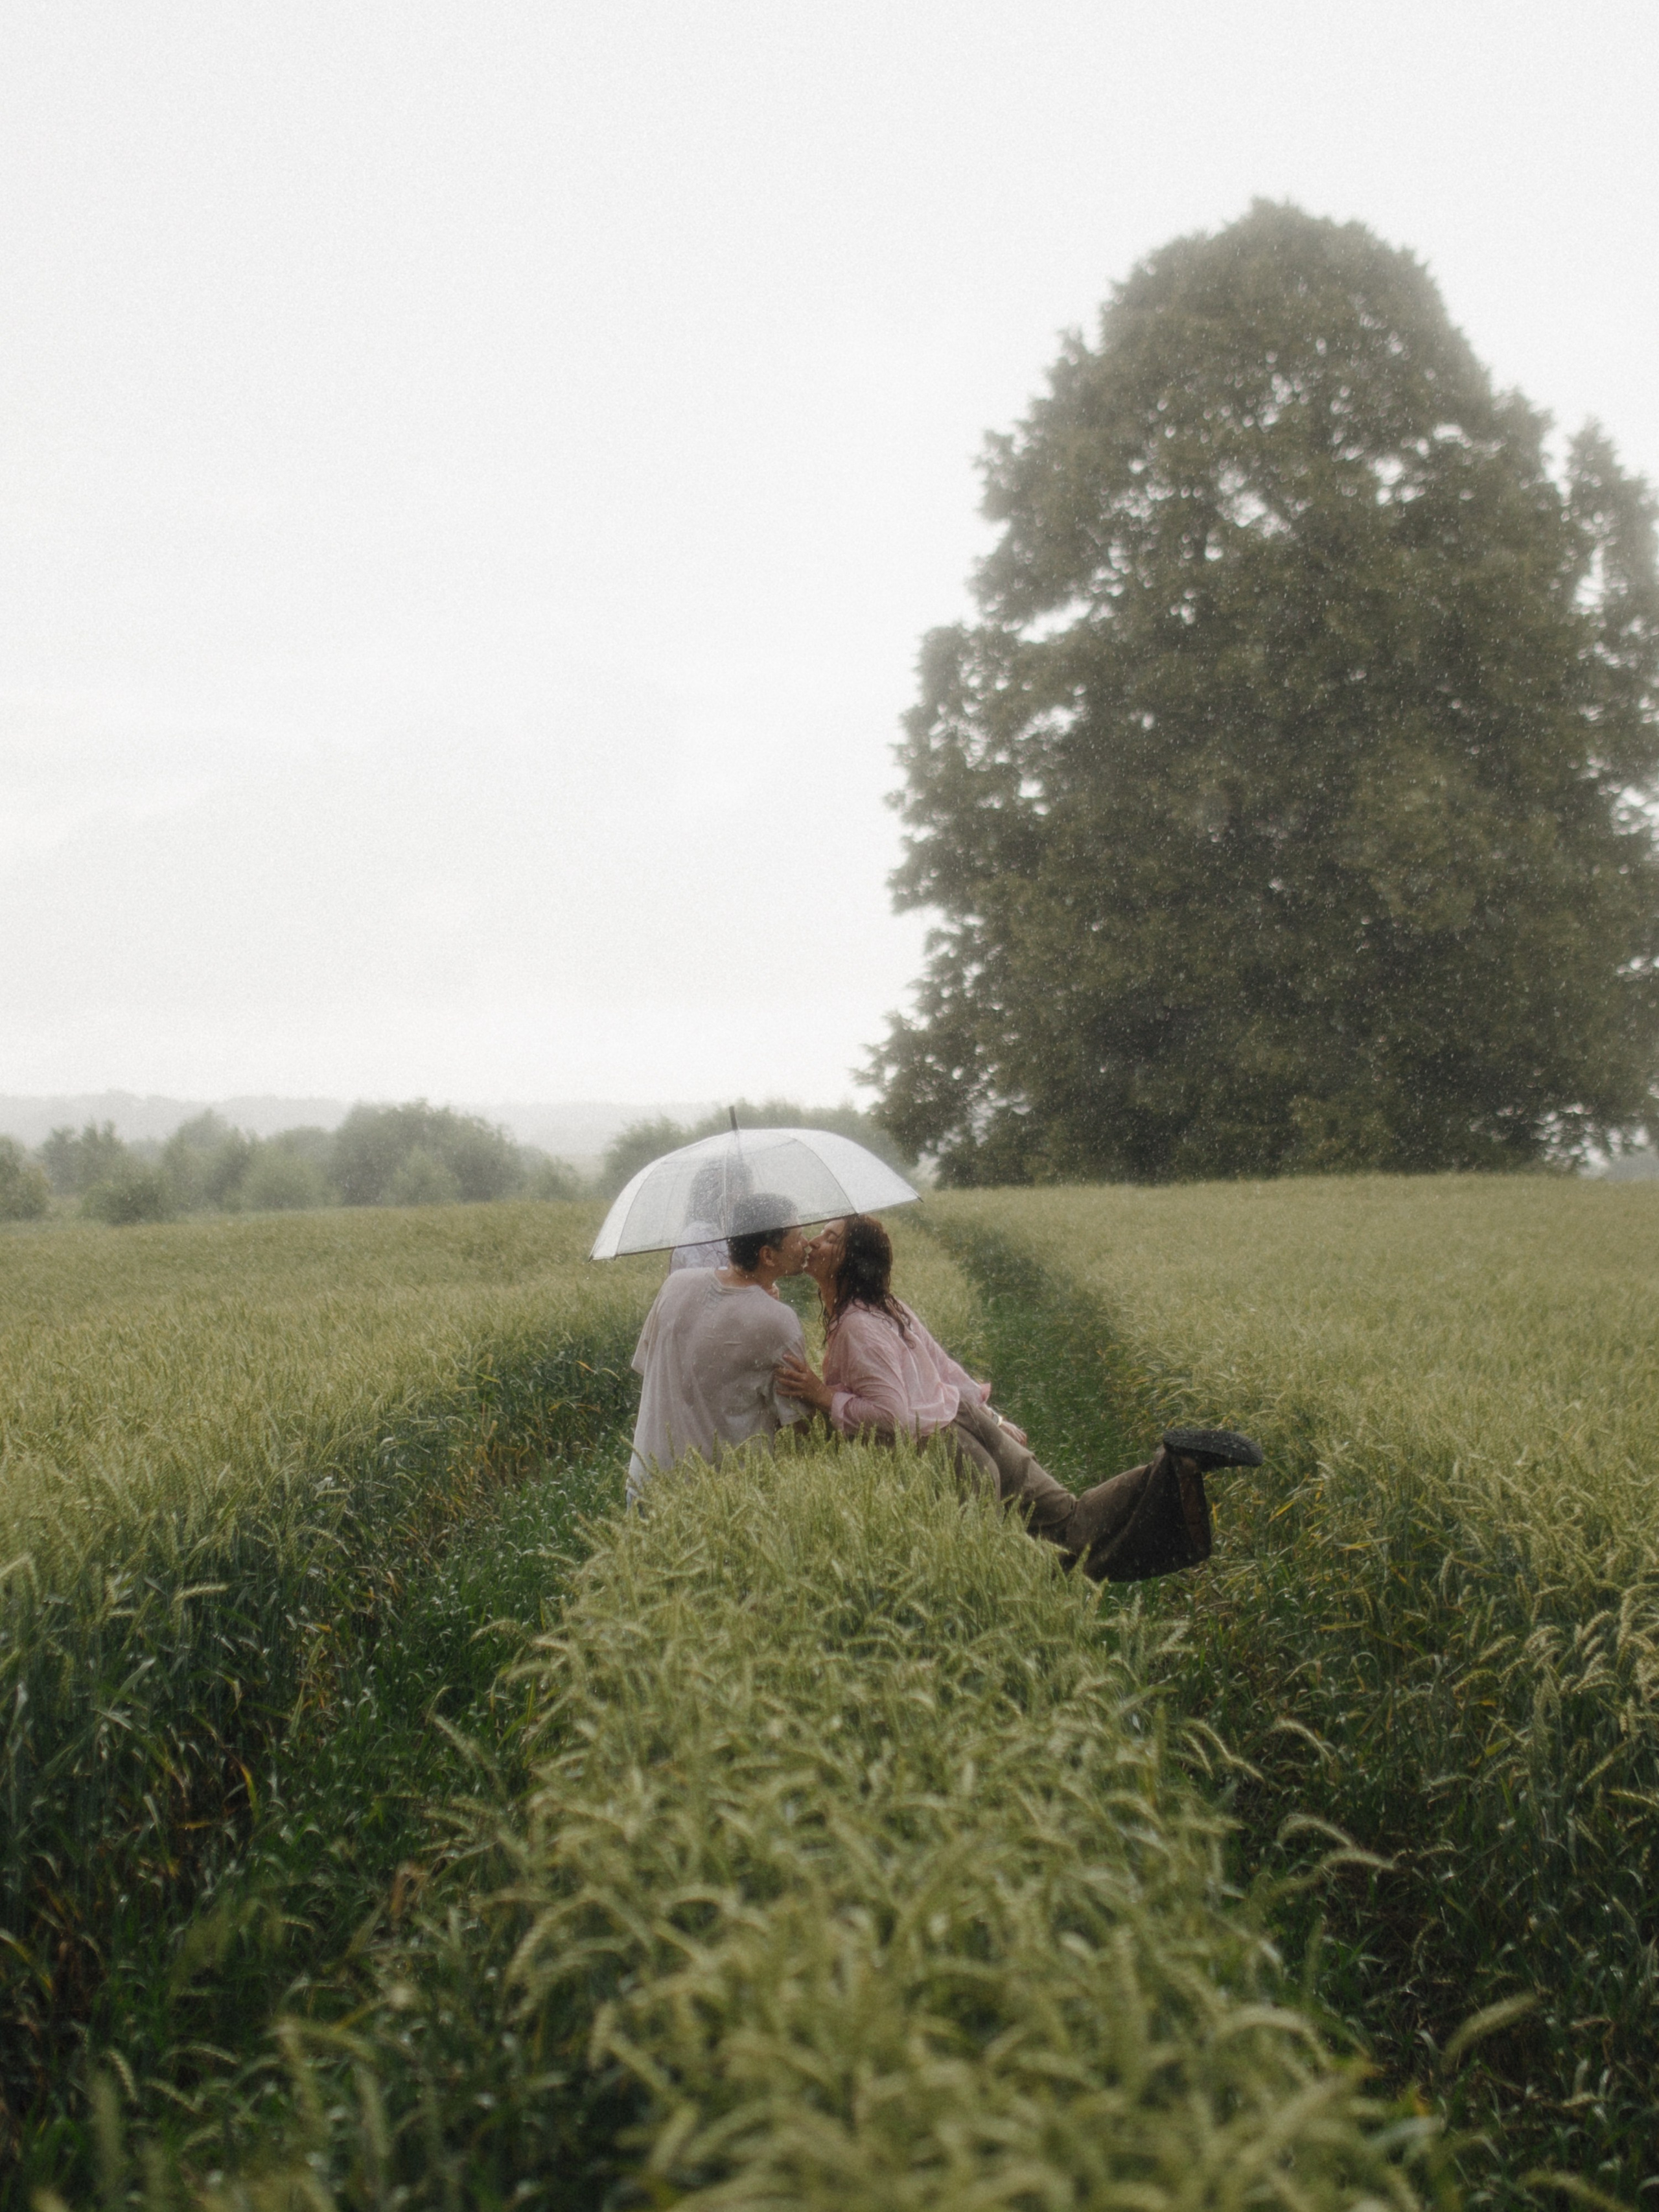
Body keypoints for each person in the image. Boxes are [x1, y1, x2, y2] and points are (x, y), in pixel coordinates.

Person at [774, 1214, 1262, 1583]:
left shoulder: (857, 1326)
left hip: (946, 1453)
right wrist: (993, 1418)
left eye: (831, 1238)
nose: (815, 1241)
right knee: (1071, 1522)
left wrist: (823, 1396)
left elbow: (895, 1417)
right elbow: (945, 1368)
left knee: (1013, 1568)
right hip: (969, 1422)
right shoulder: (887, 1307)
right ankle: (1175, 1466)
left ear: (851, 1260)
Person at [627, 1192, 811, 1502]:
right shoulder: (780, 1321)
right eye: (798, 1236)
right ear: (767, 1256)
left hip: (646, 1485)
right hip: (718, 1501)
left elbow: (650, 1367)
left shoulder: (675, 1284)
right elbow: (799, 1428)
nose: (807, 1243)